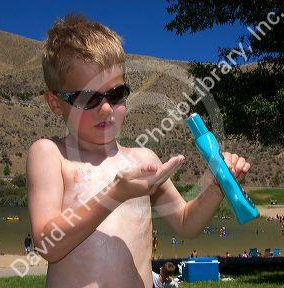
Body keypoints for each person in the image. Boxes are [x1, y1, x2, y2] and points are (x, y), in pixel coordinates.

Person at [27, 14, 251, 287]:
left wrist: (217, 186)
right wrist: (114, 194)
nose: (106, 108)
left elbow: (185, 223)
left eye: (116, 94)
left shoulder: (143, 160)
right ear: (55, 103)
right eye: (88, 98)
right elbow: (47, 246)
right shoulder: (51, 155)